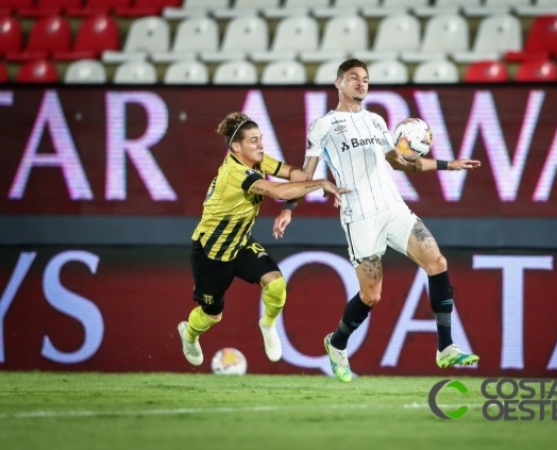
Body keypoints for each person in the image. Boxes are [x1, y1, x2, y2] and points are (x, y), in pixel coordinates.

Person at [272, 59, 482, 382]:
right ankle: (337, 343)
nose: (361, 83)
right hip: (360, 215)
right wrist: (288, 208)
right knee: (372, 295)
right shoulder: (324, 126)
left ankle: (446, 347)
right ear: (338, 83)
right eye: (353, 78)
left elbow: (398, 163)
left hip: (392, 207)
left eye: (366, 79)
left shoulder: (376, 121)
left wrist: (446, 165)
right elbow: (306, 174)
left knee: (436, 261)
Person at [178, 112, 347, 367]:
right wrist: (320, 183)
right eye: (254, 141)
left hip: (241, 243)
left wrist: (317, 158)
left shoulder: (256, 162)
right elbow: (279, 191)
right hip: (211, 253)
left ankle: (267, 326)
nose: (261, 145)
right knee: (211, 316)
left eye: (261, 139)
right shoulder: (236, 174)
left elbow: (294, 175)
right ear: (236, 147)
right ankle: (189, 335)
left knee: (276, 285)